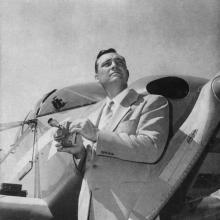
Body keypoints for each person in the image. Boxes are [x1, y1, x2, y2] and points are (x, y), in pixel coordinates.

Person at [54, 48, 169, 220]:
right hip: (90, 208)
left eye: (120, 62)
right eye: (107, 64)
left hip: (130, 210)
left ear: (127, 72)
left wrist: (97, 135)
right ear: (97, 77)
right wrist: (79, 152)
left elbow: (152, 147)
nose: (114, 66)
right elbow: (91, 164)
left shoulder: (152, 102)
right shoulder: (92, 116)